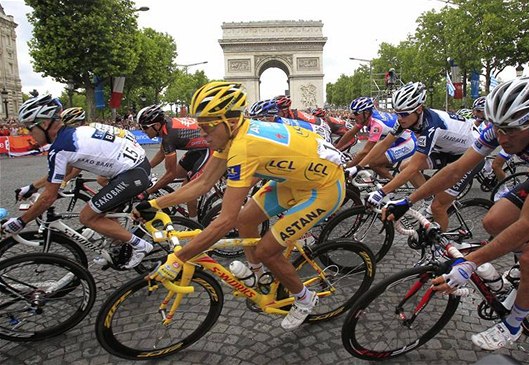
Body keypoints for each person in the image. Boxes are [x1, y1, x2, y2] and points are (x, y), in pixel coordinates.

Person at [134, 81, 346, 330]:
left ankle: (304, 298)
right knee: (246, 220)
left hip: (324, 189)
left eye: (207, 128)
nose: (202, 135)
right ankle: (258, 274)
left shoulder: (243, 148)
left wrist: (179, 258)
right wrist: (155, 203)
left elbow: (224, 221)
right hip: (295, 179)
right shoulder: (232, 135)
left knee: (268, 250)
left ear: (230, 122)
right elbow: (203, 183)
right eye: (201, 127)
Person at [383, 75, 529, 351]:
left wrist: (470, 262)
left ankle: (513, 324)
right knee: (493, 221)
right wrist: (408, 200)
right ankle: (522, 270)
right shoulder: (499, 129)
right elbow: (455, 170)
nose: (501, 137)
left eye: (510, 131)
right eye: (498, 129)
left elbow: (528, 223)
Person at [3, 96, 153, 269]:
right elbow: (63, 173)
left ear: (43, 124)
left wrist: (20, 222)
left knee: (87, 217)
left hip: (132, 173)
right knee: (105, 213)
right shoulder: (72, 133)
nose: (29, 134)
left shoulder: (60, 148)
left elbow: (48, 198)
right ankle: (119, 248)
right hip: (134, 169)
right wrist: (31, 187)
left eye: (30, 128)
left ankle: (140, 246)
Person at [367, 82, 481, 231]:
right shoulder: (408, 119)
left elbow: (415, 166)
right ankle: (428, 199)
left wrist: (382, 192)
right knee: (404, 166)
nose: (400, 118)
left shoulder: (431, 125)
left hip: (469, 154)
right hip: (447, 150)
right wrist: (359, 166)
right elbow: (384, 144)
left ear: (419, 109)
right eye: (397, 113)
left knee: (438, 207)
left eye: (404, 114)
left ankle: (444, 248)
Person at [136, 105, 211, 220]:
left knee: (187, 188)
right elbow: (162, 153)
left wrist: (148, 192)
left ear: (156, 125)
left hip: (209, 148)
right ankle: (203, 194)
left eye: (144, 128)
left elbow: (169, 175)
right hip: (198, 149)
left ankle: (194, 223)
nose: (142, 131)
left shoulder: (169, 136)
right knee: (178, 174)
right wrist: (145, 168)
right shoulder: (166, 126)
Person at [342, 96, 416, 181]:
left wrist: (349, 167)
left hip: (407, 143)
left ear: (366, 113)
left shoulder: (377, 125)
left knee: (374, 163)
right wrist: (335, 148)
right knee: (375, 160)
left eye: (356, 113)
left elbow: (365, 151)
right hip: (395, 141)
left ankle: (393, 186)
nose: (352, 116)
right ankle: (384, 183)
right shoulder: (366, 118)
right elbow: (350, 133)